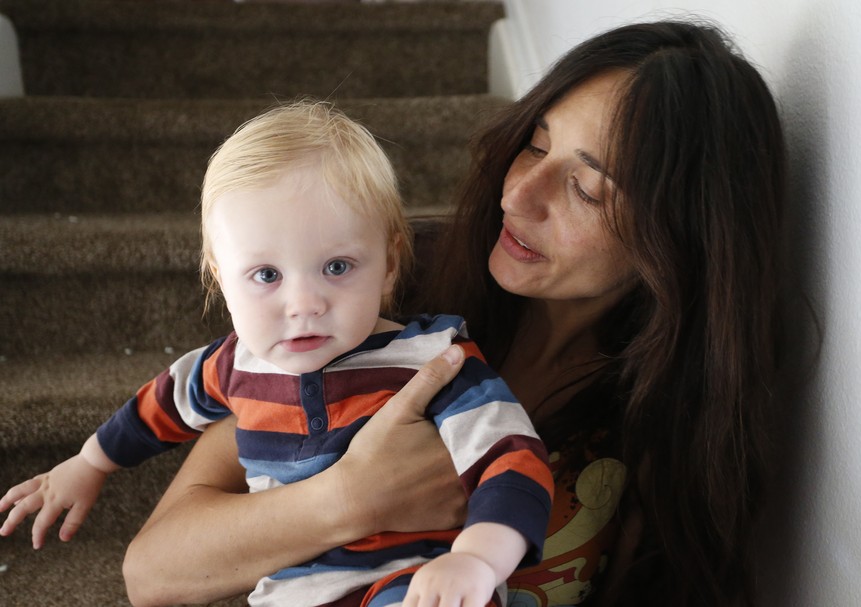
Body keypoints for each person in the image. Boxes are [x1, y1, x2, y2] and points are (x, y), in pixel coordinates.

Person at [118, 18, 786, 607]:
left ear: (678, 239)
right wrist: (348, 497)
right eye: (534, 143)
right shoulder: (370, 293)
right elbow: (154, 570)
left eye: (583, 187)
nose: (518, 195)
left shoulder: (669, 418)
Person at [0, 101, 555, 607]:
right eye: (266, 275)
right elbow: (160, 405)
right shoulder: (233, 364)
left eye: (337, 267)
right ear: (221, 279)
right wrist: (90, 463)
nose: (304, 304)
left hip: (409, 584)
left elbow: (513, 459)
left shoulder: (434, 358)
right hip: (287, 593)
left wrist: (478, 558)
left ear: (389, 263)